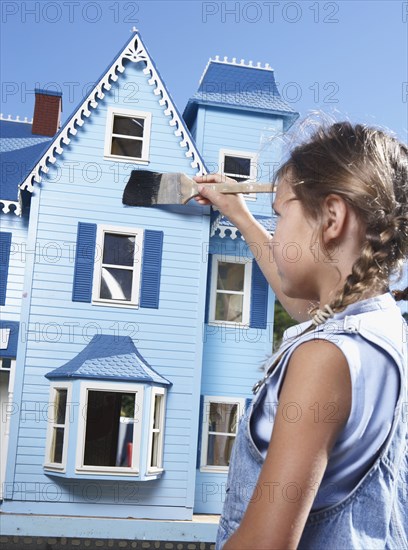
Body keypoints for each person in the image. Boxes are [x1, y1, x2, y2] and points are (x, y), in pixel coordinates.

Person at [194, 121, 408, 549]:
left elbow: (265, 543)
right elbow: (306, 306)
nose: (277, 235)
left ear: (331, 217)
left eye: (280, 213)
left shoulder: (324, 358)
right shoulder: (380, 331)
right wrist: (240, 215)